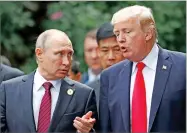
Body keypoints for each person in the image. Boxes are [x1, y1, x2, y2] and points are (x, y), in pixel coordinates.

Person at [99, 5, 185, 133]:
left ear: (148, 34)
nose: (120, 39)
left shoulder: (183, 66)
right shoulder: (110, 76)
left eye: (127, 32)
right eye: (117, 34)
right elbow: (105, 128)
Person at [0, 29, 97, 133]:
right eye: (60, 54)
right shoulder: (9, 90)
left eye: (69, 54)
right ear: (39, 53)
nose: (66, 62)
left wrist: (87, 131)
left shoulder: (84, 95)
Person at [87, 22, 124, 110]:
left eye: (116, 49)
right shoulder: (89, 92)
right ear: (99, 51)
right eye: (105, 50)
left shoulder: (136, 85)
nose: (111, 57)